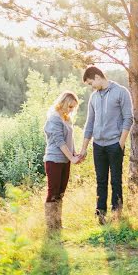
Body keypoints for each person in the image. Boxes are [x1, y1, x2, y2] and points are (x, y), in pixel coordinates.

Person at [78, 65, 134, 225]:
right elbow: (89, 123)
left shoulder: (121, 92)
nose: (91, 87)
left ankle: (117, 215)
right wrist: (84, 148)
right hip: (98, 146)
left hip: (114, 145)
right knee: (100, 181)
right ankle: (100, 216)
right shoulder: (94, 97)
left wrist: (120, 144)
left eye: (90, 83)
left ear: (97, 77)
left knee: (115, 181)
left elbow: (128, 118)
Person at [43, 90, 80, 232]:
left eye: (73, 108)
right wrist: (71, 157)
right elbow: (59, 141)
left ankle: (57, 223)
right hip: (54, 160)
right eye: (70, 106)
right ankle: (51, 226)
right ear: (63, 103)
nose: (71, 110)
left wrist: (75, 153)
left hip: (65, 160)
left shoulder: (66, 118)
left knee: (61, 192)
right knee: (53, 192)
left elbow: (70, 139)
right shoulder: (54, 118)